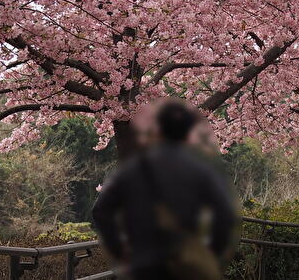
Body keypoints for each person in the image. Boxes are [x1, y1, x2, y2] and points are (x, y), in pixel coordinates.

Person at [92, 99, 238, 279]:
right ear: (188, 133)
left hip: (143, 262)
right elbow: (225, 215)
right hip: (185, 263)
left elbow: (101, 210)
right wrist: (213, 252)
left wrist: (119, 251)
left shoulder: (133, 167)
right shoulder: (200, 169)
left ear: (158, 130)